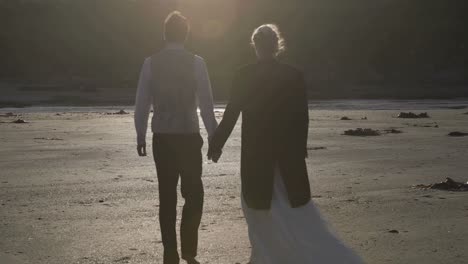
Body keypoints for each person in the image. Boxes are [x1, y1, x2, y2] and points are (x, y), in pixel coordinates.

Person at [208, 24, 363, 263]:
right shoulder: (293, 75)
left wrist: (216, 144)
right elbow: (302, 118)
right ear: (277, 45)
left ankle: (266, 256)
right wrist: (299, 151)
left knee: (258, 210)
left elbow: (231, 114)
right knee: (293, 212)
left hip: (257, 158)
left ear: (255, 46)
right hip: (287, 158)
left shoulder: (244, 74)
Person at [134, 11, 218, 264]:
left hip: (162, 136)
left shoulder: (150, 63)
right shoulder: (197, 62)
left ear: (164, 34)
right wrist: (215, 137)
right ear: (186, 34)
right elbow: (206, 106)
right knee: (194, 194)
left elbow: (141, 104)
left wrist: (140, 135)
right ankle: (189, 249)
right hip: (188, 136)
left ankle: (170, 252)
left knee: (166, 196)